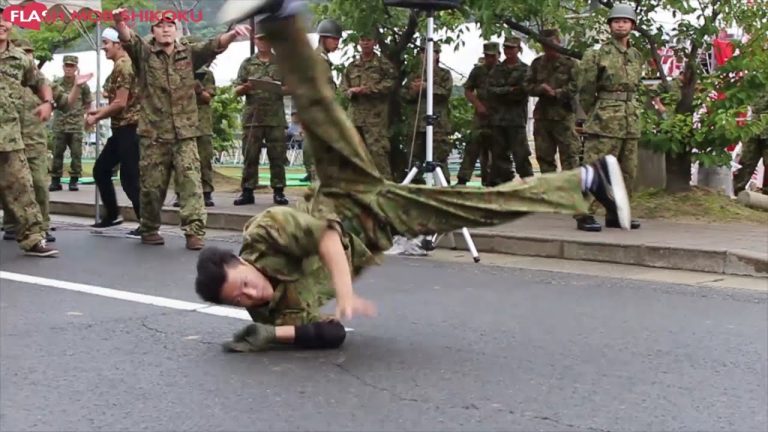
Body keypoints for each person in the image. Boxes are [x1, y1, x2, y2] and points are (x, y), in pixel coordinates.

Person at [195, 0, 632, 352]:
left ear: (244, 263)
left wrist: (345, 294)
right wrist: (276, 335)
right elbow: (330, 336)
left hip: (345, 194)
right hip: (384, 218)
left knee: (317, 112)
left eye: (246, 285)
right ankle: (589, 180)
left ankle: (280, 19)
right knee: (479, 208)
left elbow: (326, 236)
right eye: (240, 300)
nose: (251, 296)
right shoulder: (268, 314)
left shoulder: (265, 235)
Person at [111, 9, 251, 250]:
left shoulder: (188, 53)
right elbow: (128, 39)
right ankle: (149, 227)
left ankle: (194, 231)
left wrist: (231, 35)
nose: (166, 29)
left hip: (185, 133)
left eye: (170, 25)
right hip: (154, 134)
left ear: (176, 30)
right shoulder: (144, 53)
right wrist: (119, 22)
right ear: (153, 31)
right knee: (152, 187)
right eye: (160, 26)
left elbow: (212, 46)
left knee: (190, 183)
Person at [2, 38, 84, 244]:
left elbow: (66, 103)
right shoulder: (7, 79)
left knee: (38, 185)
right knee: (12, 187)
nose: (27, 56)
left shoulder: (42, 83)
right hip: (9, 141)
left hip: (33, 143)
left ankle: (42, 227)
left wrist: (76, 86)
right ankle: (12, 224)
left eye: (29, 52)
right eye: (23, 51)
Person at [575, 3, 643, 232]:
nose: (621, 24)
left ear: (632, 25)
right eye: (616, 21)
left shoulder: (635, 55)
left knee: (627, 171)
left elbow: (637, 86)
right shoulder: (597, 53)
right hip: (605, 118)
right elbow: (585, 88)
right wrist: (589, 115)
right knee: (595, 168)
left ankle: (616, 212)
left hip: (630, 120)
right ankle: (584, 214)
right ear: (610, 25)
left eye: (625, 21)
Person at [0, 9, 59, 257]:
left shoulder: (19, 58)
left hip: (9, 138)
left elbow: (39, 81)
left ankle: (33, 238)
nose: (2, 23)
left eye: (5, 18)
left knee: (23, 190)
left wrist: (48, 102)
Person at [86, 28, 141, 234]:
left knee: (130, 178)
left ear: (118, 44)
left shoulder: (125, 66)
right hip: (121, 128)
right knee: (101, 170)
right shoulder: (120, 66)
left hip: (130, 128)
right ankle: (113, 214)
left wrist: (96, 116)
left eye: (106, 42)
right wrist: (98, 111)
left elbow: (120, 103)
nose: (103, 47)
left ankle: (147, 223)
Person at [233, 28, 290, 206]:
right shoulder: (247, 64)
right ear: (255, 41)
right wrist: (246, 87)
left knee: (277, 156)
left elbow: (294, 87)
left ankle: (279, 191)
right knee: (250, 155)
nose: (263, 43)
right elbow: (235, 90)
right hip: (253, 118)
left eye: (266, 39)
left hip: (275, 118)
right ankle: (247, 191)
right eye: (260, 39)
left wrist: (278, 88)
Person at [340, 33, 397, 180]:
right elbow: (343, 88)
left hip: (375, 118)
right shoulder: (352, 66)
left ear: (375, 42)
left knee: (378, 152)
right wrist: (350, 92)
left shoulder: (383, 65)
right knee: (354, 152)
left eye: (368, 40)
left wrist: (369, 89)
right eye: (362, 40)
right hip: (355, 117)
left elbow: (391, 83)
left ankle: (385, 187)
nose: (365, 43)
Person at [524, 28, 580, 174]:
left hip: (564, 116)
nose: (549, 48)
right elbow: (527, 85)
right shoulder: (537, 63)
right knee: (544, 157)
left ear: (559, 42)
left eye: (552, 44)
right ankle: (549, 190)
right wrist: (539, 89)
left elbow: (576, 86)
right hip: (543, 116)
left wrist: (556, 93)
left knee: (569, 156)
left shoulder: (570, 64)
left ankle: (571, 191)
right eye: (545, 45)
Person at [401, 41, 453, 184]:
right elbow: (404, 96)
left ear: (437, 55)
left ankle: (443, 189)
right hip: (417, 124)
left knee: (439, 159)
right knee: (414, 159)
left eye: (430, 52)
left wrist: (427, 87)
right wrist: (414, 90)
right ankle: (416, 187)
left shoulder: (444, 74)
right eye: (423, 52)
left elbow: (445, 93)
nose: (426, 56)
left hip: (437, 125)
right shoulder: (414, 75)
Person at [487, 36, 531, 185]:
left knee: (521, 154)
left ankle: (528, 184)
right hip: (498, 119)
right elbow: (490, 91)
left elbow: (522, 92)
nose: (508, 51)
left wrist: (504, 92)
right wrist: (509, 90)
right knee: (499, 155)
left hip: (516, 119)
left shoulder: (525, 69)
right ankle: (505, 184)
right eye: (506, 48)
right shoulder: (497, 69)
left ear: (519, 49)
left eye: (512, 48)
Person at [302, 18, 342, 183]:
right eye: (334, 39)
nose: (337, 43)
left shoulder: (322, 59)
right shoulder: (317, 59)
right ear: (323, 39)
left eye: (338, 40)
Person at [49, 55, 93, 192]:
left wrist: (85, 117)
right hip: (60, 125)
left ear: (76, 68)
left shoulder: (82, 85)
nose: (69, 69)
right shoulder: (56, 83)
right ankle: (55, 180)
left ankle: (74, 180)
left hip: (75, 126)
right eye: (67, 66)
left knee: (76, 154)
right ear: (63, 67)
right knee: (57, 153)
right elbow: (51, 100)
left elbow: (88, 103)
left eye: (72, 66)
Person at [457, 42, 498, 186]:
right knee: (472, 147)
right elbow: (468, 90)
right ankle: (463, 179)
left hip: (499, 117)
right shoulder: (478, 71)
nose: (490, 59)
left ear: (498, 55)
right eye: (487, 56)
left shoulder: (503, 70)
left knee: (496, 150)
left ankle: (491, 181)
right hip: (480, 117)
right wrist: (478, 104)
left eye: (492, 56)